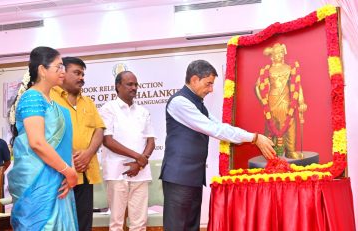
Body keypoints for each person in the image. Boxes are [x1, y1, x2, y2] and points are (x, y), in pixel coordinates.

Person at [160, 60, 276, 231]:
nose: (211, 89)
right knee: (177, 227)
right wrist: (254, 138)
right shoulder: (180, 102)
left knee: (192, 226)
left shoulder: (198, 104)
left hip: (192, 176)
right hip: (178, 176)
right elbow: (215, 130)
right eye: (208, 84)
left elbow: (222, 127)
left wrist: (253, 136)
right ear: (194, 80)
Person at [7, 46, 78, 230]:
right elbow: (37, 143)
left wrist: (68, 171)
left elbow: (64, 144)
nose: (63, 72)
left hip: (59, 178)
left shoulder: (55, 104)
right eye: (58, 67)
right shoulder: (32, 98)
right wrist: (68, 171)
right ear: (42, 70)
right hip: (37, 181)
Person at [50, 56, 105, 231]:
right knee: (61, 223)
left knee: (84, 223)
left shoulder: (88, 102)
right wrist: (73, 156)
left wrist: (88, 154)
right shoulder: (49, 97)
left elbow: (99, 129)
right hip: (59, 173)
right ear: (62, 73)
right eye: (77, 73)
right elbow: (49, 134)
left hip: (85, 171)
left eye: (83, 74)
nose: (81, 78)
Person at [100, 71, 155, 231]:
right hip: (117, 173)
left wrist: (139, 163)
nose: (134, 87)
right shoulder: (108, 109)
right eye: (129, 84)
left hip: (141, 173)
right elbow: (107, 140)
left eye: (136, 84)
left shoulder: (143, 111)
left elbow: (150, 141)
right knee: (117, 223)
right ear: (118, 86)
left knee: (139, 223)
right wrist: (139, 157)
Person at [255, 43, 307, 159]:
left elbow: (297, 85)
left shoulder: (289, 68)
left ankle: (290, 151)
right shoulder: (267, 70)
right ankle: (270, 152)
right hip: (272, 101)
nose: (279, 55)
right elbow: (257, 86)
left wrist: (301, 101)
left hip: (287, 101)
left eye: (280, 53)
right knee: (270, 126)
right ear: (272, 57)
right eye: (276, 53)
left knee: (290, 125)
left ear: (283, 54)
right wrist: (263, 101)